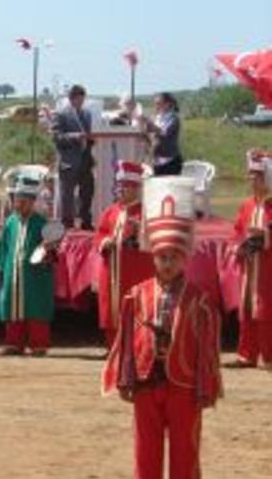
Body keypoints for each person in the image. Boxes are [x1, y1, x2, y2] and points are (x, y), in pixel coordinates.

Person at [102, 176, 222, 479]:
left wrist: (206, 385)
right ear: (153, 258)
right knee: (146, 452)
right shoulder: (138, 294)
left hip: (184, 386)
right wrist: (125, 377)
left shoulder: (200, 300)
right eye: (162, 257)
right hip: (145, 382)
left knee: (185, 451)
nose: (167, 263)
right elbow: (128, 340)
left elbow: (207, 349)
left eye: (173, 258)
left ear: (184, 259)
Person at [0, 174, 55, 356]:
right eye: (16, 200)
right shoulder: (10, 222)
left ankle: (38, 344)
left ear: (32, 202)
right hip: (13, 273)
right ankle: (13, 342)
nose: (18, 205)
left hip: (35, 275)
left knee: (36, 308)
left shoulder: (41, 223)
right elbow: (3, 246)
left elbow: (51, 250)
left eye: (23, 201)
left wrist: (46, 250)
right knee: (12, 306)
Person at [94, 161, 154, 349]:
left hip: (135, 270)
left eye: (125, 187)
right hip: (112, 269)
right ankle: (113, 348)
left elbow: (154, 239)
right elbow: (100, 234)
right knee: (110, 308)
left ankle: (136, 348)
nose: (120, 191)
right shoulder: (111, 211)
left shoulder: (146, 212)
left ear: (136, 188)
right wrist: (105, 242)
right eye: (119, 186)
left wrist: (141, 230)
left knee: (135, 308)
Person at [229, 149, 272, 368]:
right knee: (246, 308)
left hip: (267, 266)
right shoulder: (247, 205)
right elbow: (237, 230)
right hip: (250, 265)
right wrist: (238, 245)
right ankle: (247, 353)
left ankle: (269, 355)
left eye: (258, 176)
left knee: (265, 309)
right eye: (252, 176)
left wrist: (265, 236)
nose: (253, 180)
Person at [52, 84, 95, 230]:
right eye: (79, 99)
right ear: (71, 99)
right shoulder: (61, 114)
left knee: (87, 192)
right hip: (68, 161)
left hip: (85, 159)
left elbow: (88, 134)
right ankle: (67, 223)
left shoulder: (87, 114)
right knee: (67, 195)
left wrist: (91, 139)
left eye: (83, 99)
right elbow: (57, 138)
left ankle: (86, 221)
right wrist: (76, 136)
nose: (81, 102)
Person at [141, 92, 183, 176]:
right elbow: (149, 135)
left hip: (170, 162)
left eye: (159, 103)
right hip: (156, 161)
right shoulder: (156, 118)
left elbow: (165, 133)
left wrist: (151, 125)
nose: (156, 106)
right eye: (155, 104)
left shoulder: (174, 119)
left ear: (168, 104)